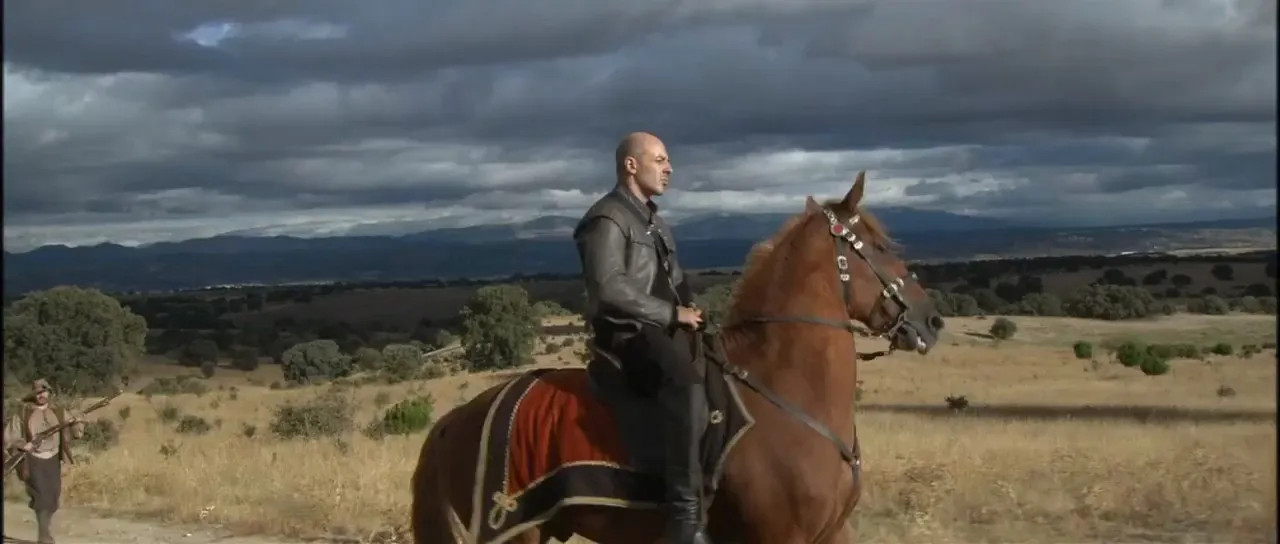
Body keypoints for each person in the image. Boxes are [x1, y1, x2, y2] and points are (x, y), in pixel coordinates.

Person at [574, 131, 710, 544]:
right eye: (660, 160)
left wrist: (695, 311)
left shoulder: (655, 222)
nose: (669, 168)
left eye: (668, 161)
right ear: (631, 165)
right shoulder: (607, 218)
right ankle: (684, 515)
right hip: (628, 334)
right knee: (685, 385)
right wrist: (671, 314)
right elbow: (608, 287)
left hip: (661, 330)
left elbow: (677, 281)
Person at [4, 379, 85, 544]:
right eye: (38, 392)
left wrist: (78, 421)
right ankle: (43, 535)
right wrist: (22, 445)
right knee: (40, 496)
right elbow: (10, 437)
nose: (41, 395)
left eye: (44, 392)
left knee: (53, 496)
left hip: (54, 459)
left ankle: (45, 530)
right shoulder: (23, 414)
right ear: (33, 395)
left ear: (49, 393)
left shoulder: (59, 412)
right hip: (33, 460)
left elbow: (77, 433)